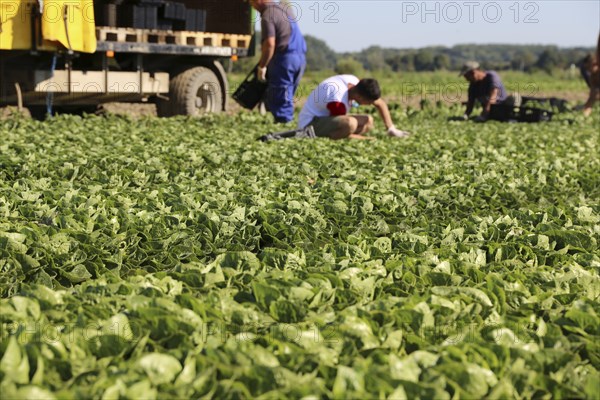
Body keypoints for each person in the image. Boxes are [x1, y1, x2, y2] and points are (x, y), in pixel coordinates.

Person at [297, 75, 410, 140]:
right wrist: (364, 139)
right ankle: (337, 140)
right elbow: (342, 125)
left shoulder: (355, 83)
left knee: (368, 120)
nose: (369, 104)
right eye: (368, 102)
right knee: (350, 123)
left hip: (326, 119)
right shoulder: (338, 99)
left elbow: (380, 103)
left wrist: (391, 128)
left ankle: (350, 137)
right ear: (359, 96)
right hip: (310, 124)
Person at [250, 0, 307, 123]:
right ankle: (286, 122)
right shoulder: (285, 9)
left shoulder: (268, 14)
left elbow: (270, 44)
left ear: (258, 1)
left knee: (280, 95)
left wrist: (262, 66)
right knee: (288, 94)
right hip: (300, 58)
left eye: (251, 3)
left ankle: (283, 126)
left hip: (284, 59)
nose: (252, 6)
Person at [582, 33, 600, 117]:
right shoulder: (593, 78)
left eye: (589, 67)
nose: (588, 70)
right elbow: (591, 98)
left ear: (594, 63)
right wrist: (584, 115)